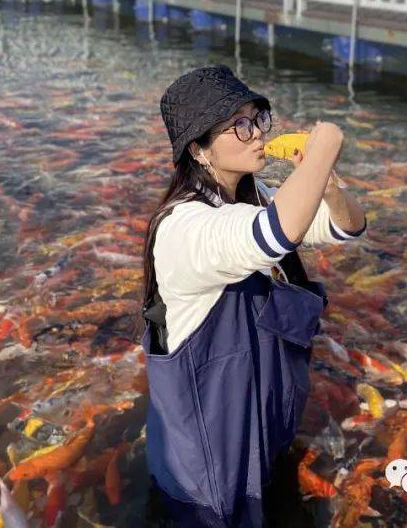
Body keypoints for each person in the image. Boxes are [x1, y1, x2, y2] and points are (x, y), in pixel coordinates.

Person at [143, 65, 366, 527]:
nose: (256, 134)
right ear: (199, 150)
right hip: (207, 458)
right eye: (237, 125)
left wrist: (328, 186)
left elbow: (344, 226)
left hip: (258, 421)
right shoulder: (183, 227)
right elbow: (274, 235)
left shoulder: (256, 195)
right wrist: (323, 148)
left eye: (256, 119)